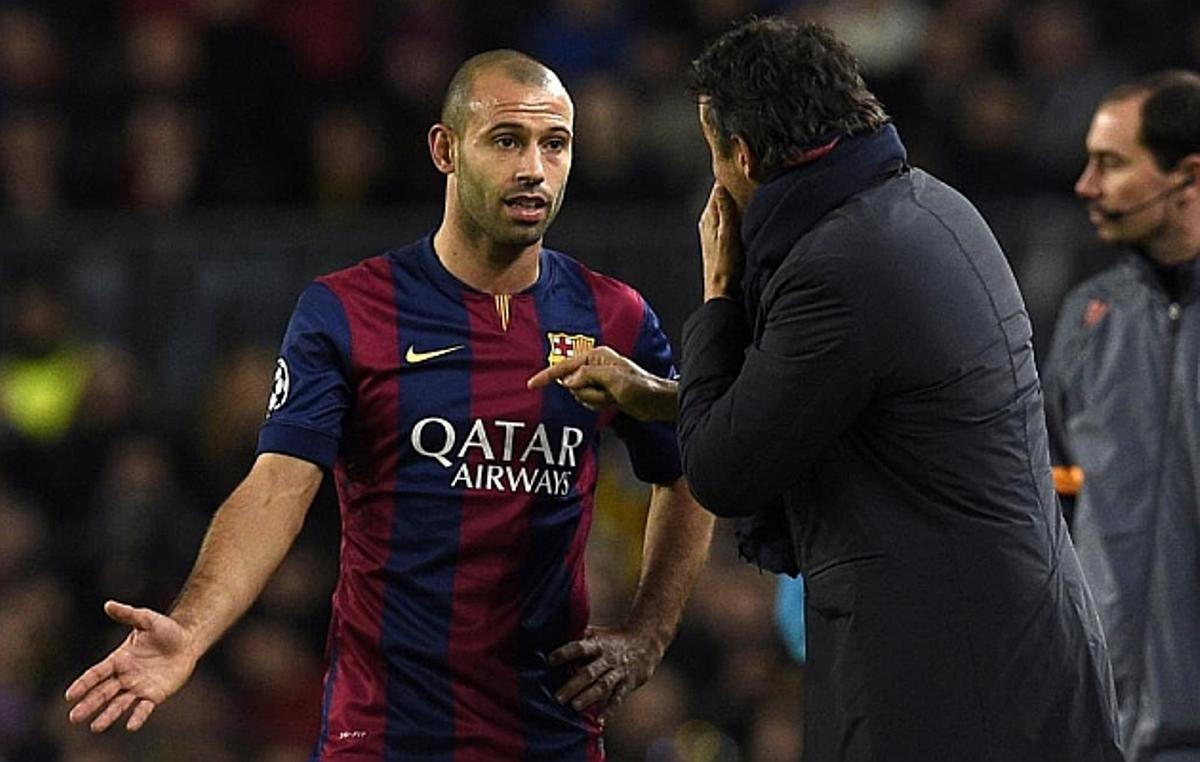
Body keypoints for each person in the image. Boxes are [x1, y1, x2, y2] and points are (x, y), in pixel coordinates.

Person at [64, 50, 714, 760]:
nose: (534, 168)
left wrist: (649, 632)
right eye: (506, 140)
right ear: (445, 149)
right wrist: (190, 630)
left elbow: (689, 467)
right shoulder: (348, 311)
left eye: (554, 144)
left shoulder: (615, 316)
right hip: (384, 731)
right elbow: (277, 487)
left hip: (549, 730)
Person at [531, 17, 1124, 761]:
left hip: (951, 689)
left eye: (714, 154)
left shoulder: (838, 268)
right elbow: (820, 406)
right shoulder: (924, 207)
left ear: (743, 155)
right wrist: (662, 396)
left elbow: (721, 469)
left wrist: (720, 292)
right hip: (1014, 665)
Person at [1043, 70, 1200, 762]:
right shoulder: (1089, 319)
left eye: (1110, 163)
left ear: (1187, 176)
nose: (1086, 185)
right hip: (1105, 732)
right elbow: (1054, 505)